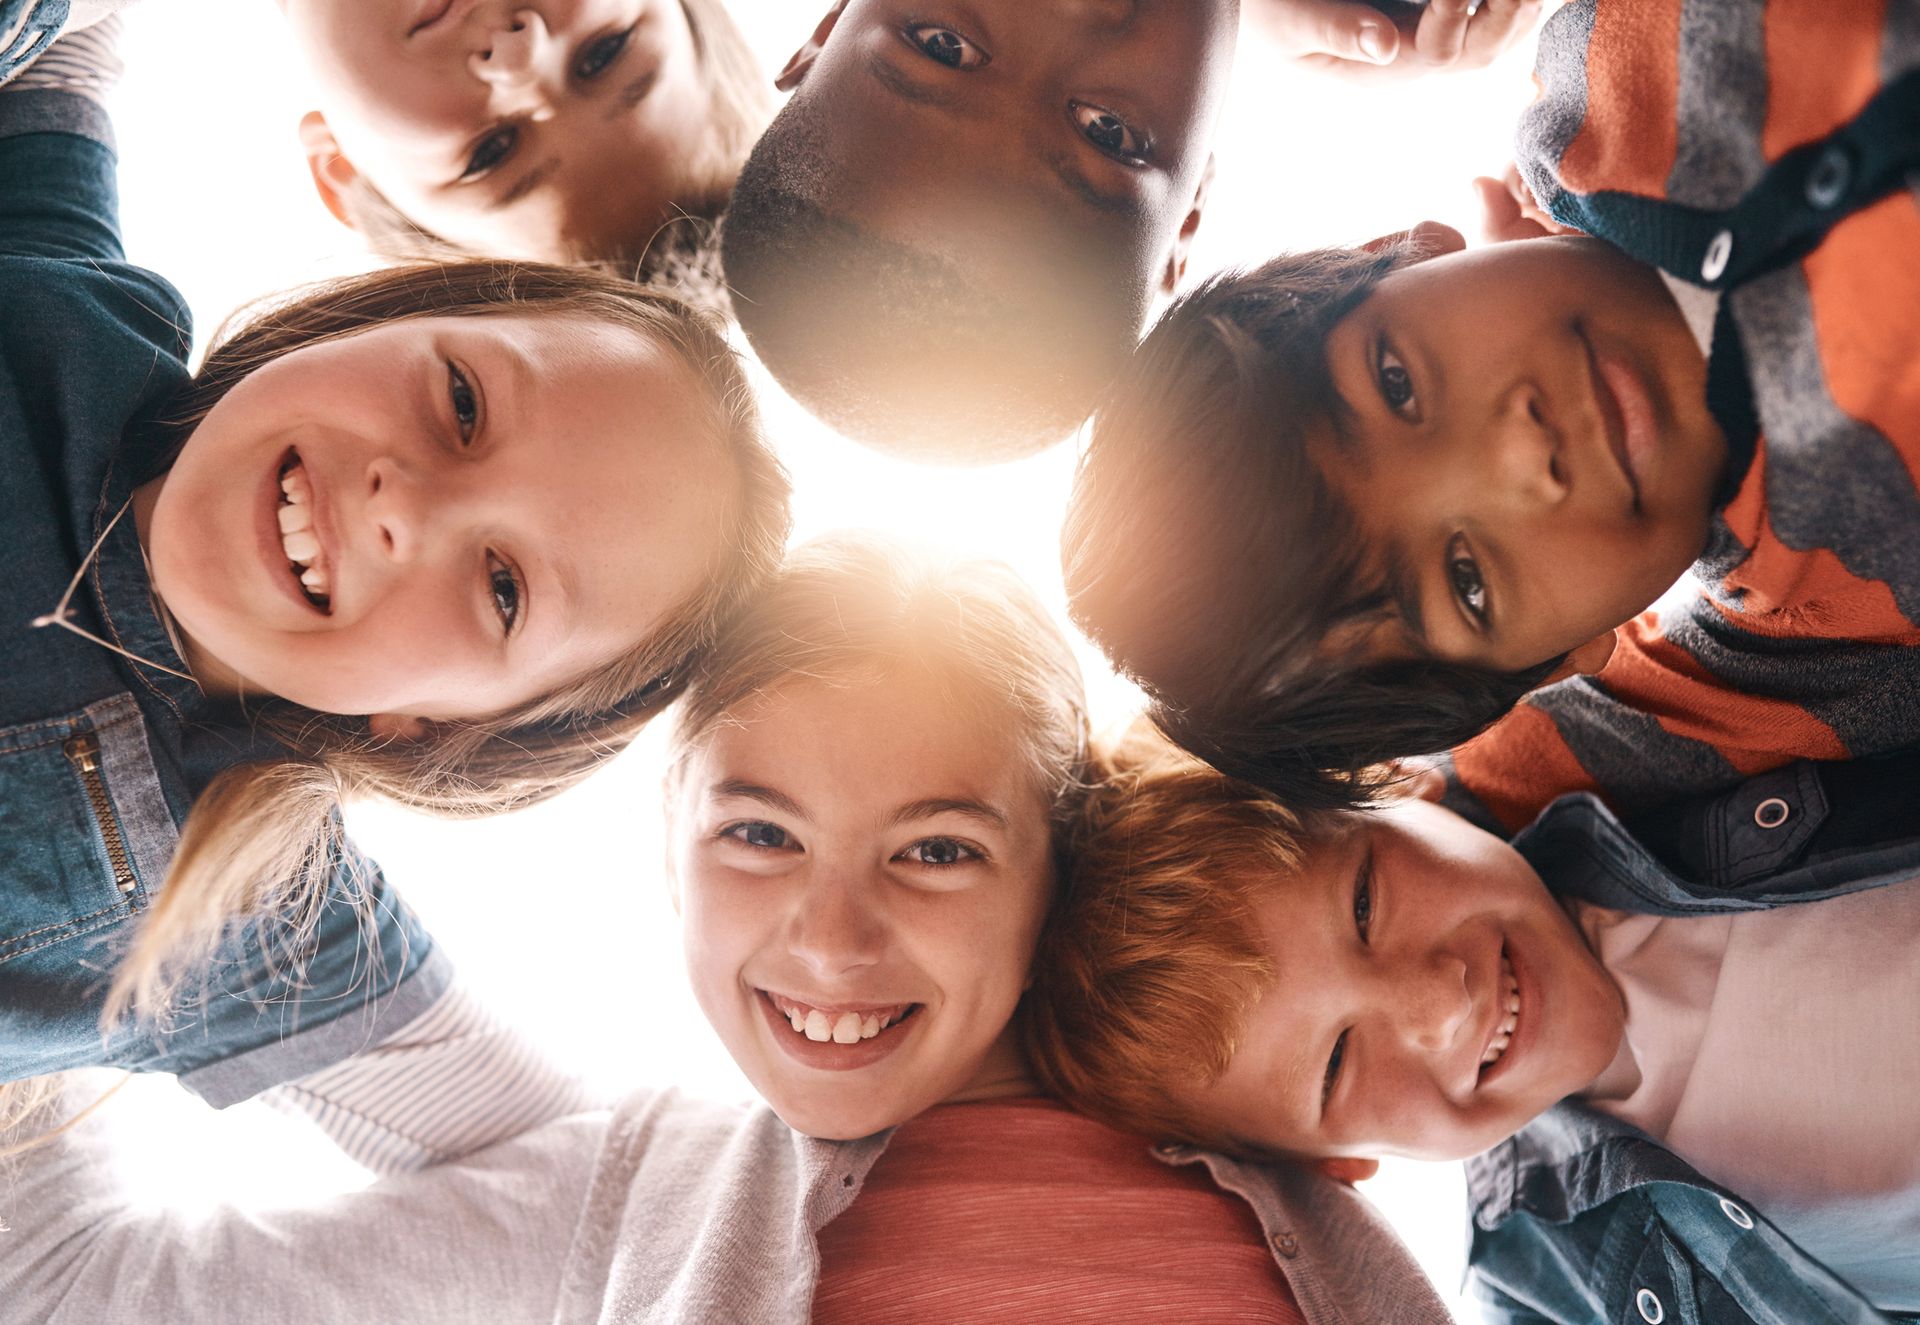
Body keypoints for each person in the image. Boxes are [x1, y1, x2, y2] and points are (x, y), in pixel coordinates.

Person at [0, 536, 1457, 1324]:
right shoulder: (618, 1201)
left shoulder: (1245, 1097)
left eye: (938, 850)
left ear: (1054, 864)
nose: (833, 940)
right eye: (758, 835)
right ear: (667, 852)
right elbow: (67, 1288)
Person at [0, 26, 790, 1122]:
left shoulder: (255, 915)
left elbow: (538, 1153)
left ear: (437, 724)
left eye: (504, 588)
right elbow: (63, 46)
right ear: (384, 316)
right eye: (463, 402)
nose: (401, 503)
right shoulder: (71, 297)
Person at [1062, 0, 1920, 816]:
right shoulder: (1804, 645)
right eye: (1466, 583)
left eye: (1396, 382)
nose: (1523, 454)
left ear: (1404, 251)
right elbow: (1488, 793)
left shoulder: (1594, 61)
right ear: (1558, 665)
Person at [1026, 729, 1920, 1322]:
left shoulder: (1676, 738)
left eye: (1367, 903)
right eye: (1335, 1062)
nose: (1441, 1001)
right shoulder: (1547, 1297)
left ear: (1395, 781)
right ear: (1330, 1165)